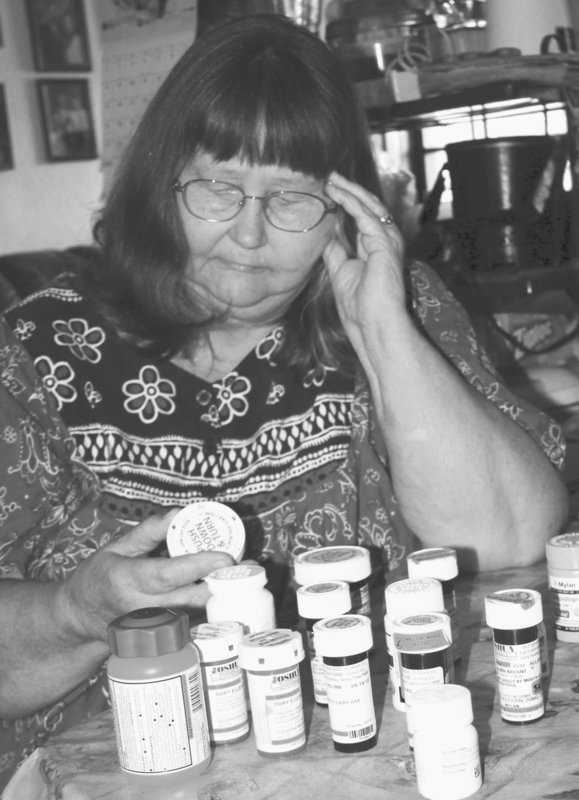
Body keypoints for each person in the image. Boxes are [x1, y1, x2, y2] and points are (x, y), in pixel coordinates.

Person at [0, 12, 568, 788]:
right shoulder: (37, 348)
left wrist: (382, 329)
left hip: (373, 762)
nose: (250, 235)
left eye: (292, 199)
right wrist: (78, 611)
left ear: (343, 205)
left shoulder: (388, 304)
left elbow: (509, 536)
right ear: (161, 183)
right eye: (218, 189)